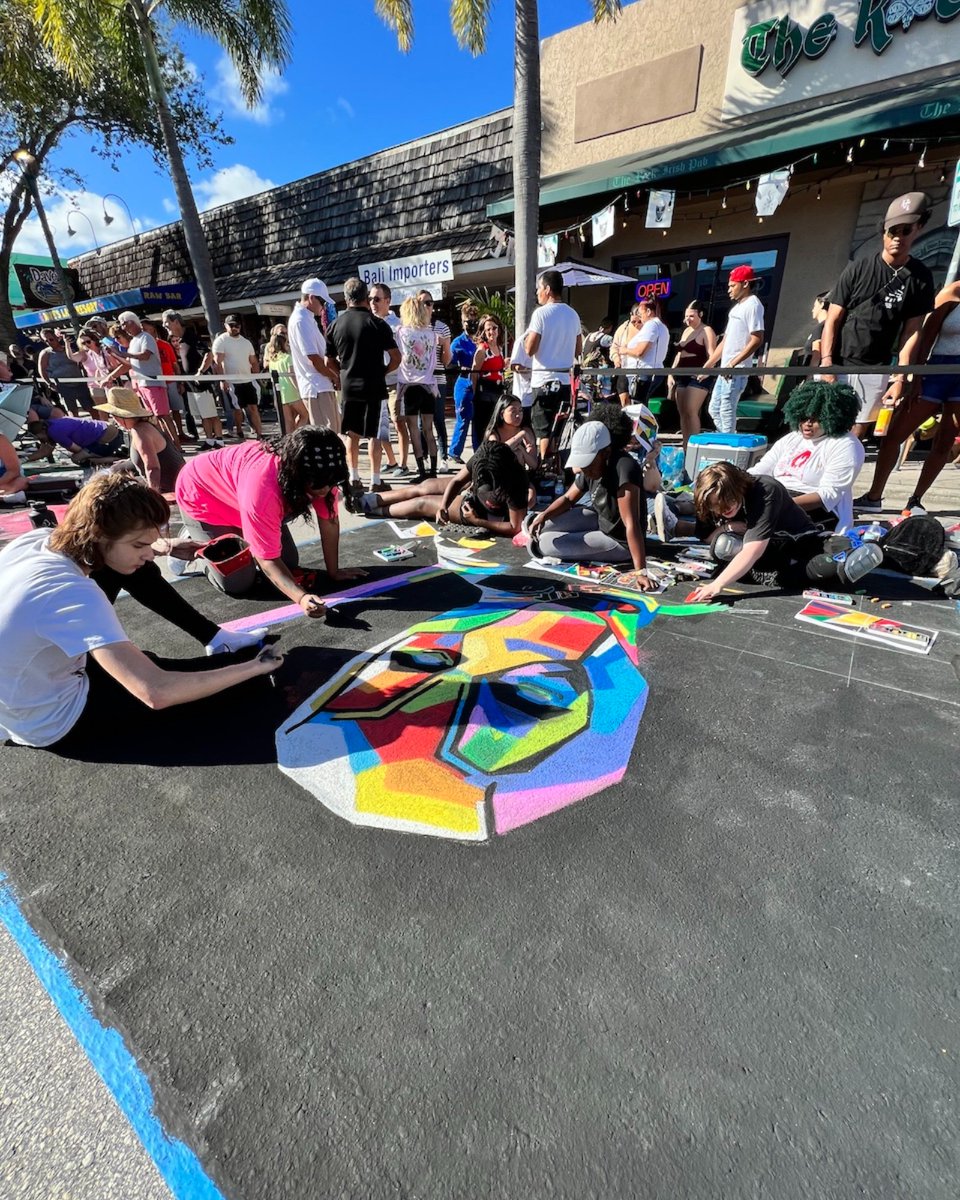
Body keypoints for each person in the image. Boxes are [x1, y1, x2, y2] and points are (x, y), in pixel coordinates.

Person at [0, 473, 283, 751]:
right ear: (98, 533)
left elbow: (111, 552)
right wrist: (255, 667)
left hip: (20, 698)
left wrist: (163, 546)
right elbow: (156, 693)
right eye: (139, 544)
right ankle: (242, 663)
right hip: (51, 721)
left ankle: (215, 637)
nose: (148, 553)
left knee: (132, 569)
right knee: (235, 686)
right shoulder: (73, 593)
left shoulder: (37, 541)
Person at [175, 426, 364, 615]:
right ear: (296, 474)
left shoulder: (322, 468)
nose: (325, 490)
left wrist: (334, 572)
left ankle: (248, 532)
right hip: (204, 498)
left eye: (331, 483)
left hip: (244, 501)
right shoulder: (264, 490)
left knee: (289, 564)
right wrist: (301, 597)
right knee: (238, 582)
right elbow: (267, 559)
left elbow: (329, 522)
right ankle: (195, 545)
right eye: (319, 484)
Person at [820, 191, 935, 442]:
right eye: (892, 231)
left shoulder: (920, 277)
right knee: (825, 426)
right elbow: (833, 318)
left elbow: (911, 332)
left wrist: (900, 377)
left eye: (906, 230)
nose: (898, 237)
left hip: (878, 365)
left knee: (856, 434)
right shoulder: (859, 268)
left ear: (918, 228)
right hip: (840, 360)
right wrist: (826, 362)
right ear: (883, 232)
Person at [686, 461, 880, 602]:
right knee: (723, 545)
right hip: (768, 552)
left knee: (819, 567)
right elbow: (707, 537)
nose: (725, 509)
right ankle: (837, 561)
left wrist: (717, 585)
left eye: (729, 501)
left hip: (798, 542)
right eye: (717, 506)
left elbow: (753, 550)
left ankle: (846, 557)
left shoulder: (764, 490)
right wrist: (728, 527)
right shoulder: (708, 499)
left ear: (739, 488)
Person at [854, 276, 960, 516]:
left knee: (945, 440)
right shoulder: (953, 292)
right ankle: (874, 495)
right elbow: (926, 336)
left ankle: (916, 499)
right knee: (896, 434)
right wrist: (917, 377)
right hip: (937, 370)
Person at [527, 404, 655, 588]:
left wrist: (641, 572)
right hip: (601, 519)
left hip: (619, 540)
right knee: (541, 525)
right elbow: (568, 498)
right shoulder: (592, 466)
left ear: (605, 453)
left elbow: (631, 523)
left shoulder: (624, 468)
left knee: (545, 544)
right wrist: (543, 515)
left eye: (587, 463)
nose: (584, 469)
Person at [746, 380, 864, 533]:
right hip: (776, 496)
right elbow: (759, 471)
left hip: (817, 510)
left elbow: (827, 496)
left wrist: (778, 506)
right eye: (803, 417)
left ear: (832, 417)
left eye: (816, 418)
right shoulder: (792, 438)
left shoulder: (846, 445)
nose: (807, 424)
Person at [325, 277, 401, 505]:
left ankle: (354, 477)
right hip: (374, 385)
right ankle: (375, 480)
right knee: (375, 434)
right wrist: (383, 371)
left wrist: (341, 374)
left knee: (352, 433)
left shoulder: (335, 325)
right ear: (365, 298)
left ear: (346, 298)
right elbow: (396, 357)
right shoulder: (377, 324)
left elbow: (328, 361)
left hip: (349, 386)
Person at [360, 439, 528, 537]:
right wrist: (443, 506)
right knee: (426, 486)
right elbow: (457, 481)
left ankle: (376, 510)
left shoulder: (515, 481)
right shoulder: (485, 456)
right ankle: (371, 500)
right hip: (475, 496)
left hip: (484, 513)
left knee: (423, 503)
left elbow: (515, 527)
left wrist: (477, 521)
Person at [525, 270, 582, 460]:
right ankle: (557, 467)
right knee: (559, 429)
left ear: (547, 289)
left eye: (539, 289)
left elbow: (530, 349)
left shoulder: (540, 314)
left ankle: (545, 467)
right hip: (564, 380)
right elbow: (578, 349)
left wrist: (526, 341)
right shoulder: (573, 314)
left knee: (543, 430)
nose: (537, 293)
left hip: (543, 379)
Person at [701, 265, 765, 434]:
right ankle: (726, 437)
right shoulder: (736, 308)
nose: (729, 290)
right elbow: (726, 340)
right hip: (726, 369)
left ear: (745, 284)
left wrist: (733, 363)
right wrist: (709, 365)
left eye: (732, 285)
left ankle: (728, 441)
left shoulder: (753, 305)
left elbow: (757, 339)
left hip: (736, 370)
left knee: (726, 409)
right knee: (714, 409)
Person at [94, 387, 185, 493]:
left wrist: (153, 495)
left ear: (121, 416)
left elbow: (153, 468)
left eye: (113, 416)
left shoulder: (140, 432)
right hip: (176, 481)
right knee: (112, 471)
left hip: (170, 488)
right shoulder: (144, 425)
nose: (114, 419)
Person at [108, 312, 179, 446]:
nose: (123, 328)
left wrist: (122, 353)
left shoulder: (146, 337)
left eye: (124, 324)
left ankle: (176, 445)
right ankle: (166, 444)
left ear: (131, 322)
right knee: (153, 417)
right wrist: (114, 357)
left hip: (153, 383)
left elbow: (146, 356)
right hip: (141, 384)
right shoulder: (134, 341)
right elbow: (129, 364)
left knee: (163, 415)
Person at [395, 295, 442, 481]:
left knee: (414, 430)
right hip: (428, 385)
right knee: (429, 430)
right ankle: (433, 470)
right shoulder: (431, 335)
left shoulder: (401, 332)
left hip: (410, 386)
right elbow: (434, 359)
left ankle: (422, 471)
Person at [163, 310, 224, 450]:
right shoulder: (181, 340)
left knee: (211, 414)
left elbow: (208, 354)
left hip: (202, 385)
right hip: (191, 385)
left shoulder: (191, 337)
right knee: (203, 415)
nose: (164, 325)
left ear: (176, 322)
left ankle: (219, 440)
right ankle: (209, 440)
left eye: (166, 322)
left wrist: (200, 372)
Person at [286, 278, 341, 432]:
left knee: (333, 431)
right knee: (326, 433)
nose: (323, 306)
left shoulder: (306, 318)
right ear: (311, 298)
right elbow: (313, 359)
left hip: (321, 385)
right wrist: (334, 376)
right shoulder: (300, 320)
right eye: (322, 301)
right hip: (316, 387)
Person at [669, 301, 717, 449]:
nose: (688, 319)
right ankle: (686, 444)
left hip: (698, 375)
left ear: (700, 314)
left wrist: (706, 371)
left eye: (691, 316)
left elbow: (712, 355)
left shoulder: (707, 330)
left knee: (691, 410)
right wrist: (671, 373)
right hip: (681, 374)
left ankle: (695, 445)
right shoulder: (686, 331)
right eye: (686, 316)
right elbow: (679, 354)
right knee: (683, 412)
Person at [368, 284, 404, 476]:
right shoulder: (368, 322)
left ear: (388, 301)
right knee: (379, 425)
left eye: (377, 299)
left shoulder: (397, 325)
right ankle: (391, 461)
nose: (372, 303)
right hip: (377, 382)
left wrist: (385, 371)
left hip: (395, 380)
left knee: (398, 422)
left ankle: (403, 465)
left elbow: (401, 356)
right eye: (370, 299)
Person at [416, 289, 452, 466]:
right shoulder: (413, 328)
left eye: (429, 303)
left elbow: (446, 361)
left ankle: (443, 456)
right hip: (420, 379)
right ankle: (424, 457)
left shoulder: (441, 327)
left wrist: (444, 344)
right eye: (422, 303)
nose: (426, 307)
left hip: (437, 378)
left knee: (438, 418)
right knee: (422, 422)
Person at [142, 318, 191, 445]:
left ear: (153, 329)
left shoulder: (164, 345)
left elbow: (174, 364)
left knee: (176, 409)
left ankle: (180, 433)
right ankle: (167, 437)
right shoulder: (142, 347)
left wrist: (180, 382)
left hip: (170, 381)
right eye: (142, 329)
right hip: (154, 384)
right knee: (161, 413)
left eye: (146, 329)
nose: (144, 332)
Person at [212, 314, 262, 439]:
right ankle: (239, 429)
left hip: (248, 379)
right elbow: (218, 363)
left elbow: (253, 361)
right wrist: (222, 380)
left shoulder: (246, 342)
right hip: (232, 381)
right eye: (231, 325)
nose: (234, 328)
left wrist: (257, 377)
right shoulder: (221, 341)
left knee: (253, 407)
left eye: (237, 325)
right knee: (237, 409)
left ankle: (260, 434)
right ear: (226, 326)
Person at [485, 394, 538, 509]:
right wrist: (519, 436)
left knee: (530, 500)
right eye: (513, 411)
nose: (518, 415)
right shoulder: (494, 433)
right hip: (498, 478)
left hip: (520, 478)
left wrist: (522, 450)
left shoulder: (526, 430)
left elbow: (534, 464)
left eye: (520, 411)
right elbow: (498, 451)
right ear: (501, 414)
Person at [618, 299, 669, 407]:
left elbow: (640, 352)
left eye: (641, 314)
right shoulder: (662, 326)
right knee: (641, 405)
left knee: (637, 406)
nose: (640, 318)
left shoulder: (651, 325)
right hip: (651, 371)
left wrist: (625, 350)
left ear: (649, 312)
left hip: (644, 373)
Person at [447, 302, 480, 464]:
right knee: (463, 418)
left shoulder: (481, 340)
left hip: (480, 383)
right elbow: (449, 364)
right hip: (464, 383)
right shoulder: (458, 343)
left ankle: (478, 451)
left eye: (474, 321)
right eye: (469, 321)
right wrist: (462, 367)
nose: (472, 324)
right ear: (463, 322)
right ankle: (454, 451)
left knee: (479, 420)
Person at [25, 414, 126, 463]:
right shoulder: (51, 423)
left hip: (107, 438)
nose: (38, 439)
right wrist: (24, 460)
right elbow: (45, 451)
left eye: (37, 437)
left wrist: (24, 460)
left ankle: (118, 459)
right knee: (82, 454)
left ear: (41, 432)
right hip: (108, 428)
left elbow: (77, 449)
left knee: (77, 458)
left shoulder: (55, 433)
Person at [36, 328, 92, 416]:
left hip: (79, 383)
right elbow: (42, 370)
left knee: (90, 407)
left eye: (51, 339)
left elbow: (81, 364)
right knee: (72, 411)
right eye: (46, 341)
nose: (49, 342)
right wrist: (49, 384)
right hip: (63, 386)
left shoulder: (69, 349)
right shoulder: (45, 353)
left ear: (57, 338)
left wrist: (86, 378)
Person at [264, 324, 308, 434]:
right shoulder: (288, 358)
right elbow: (292, 375)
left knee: (288, 421)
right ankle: (296, 435)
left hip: (281, 393)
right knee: (305, 415)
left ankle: (290, 439)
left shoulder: (272, 360)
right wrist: (299, 390)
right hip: (292, 392)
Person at [470, 315, 506, 447]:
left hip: (498, 392)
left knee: (496, 426)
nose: (492, 332)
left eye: (494, 328)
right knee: (484, 428)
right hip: (484, 393)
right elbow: (474, 373)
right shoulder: (482, 349)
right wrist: (475, 394)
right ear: (483, 332)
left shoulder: (499, 348)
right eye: (488, 329)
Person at [803, 292, 831, 368]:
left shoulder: (821, 327)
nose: (812, 310)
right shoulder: (826, 325)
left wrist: (811, 373)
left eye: (815, 306)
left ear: (822, 305)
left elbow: (817, 355)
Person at [0, 432, 29, 505]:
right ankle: (4, 498)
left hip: (7, 481)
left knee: (22, 482)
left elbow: (14, 471)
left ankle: (6, 496)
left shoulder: (1, 440)